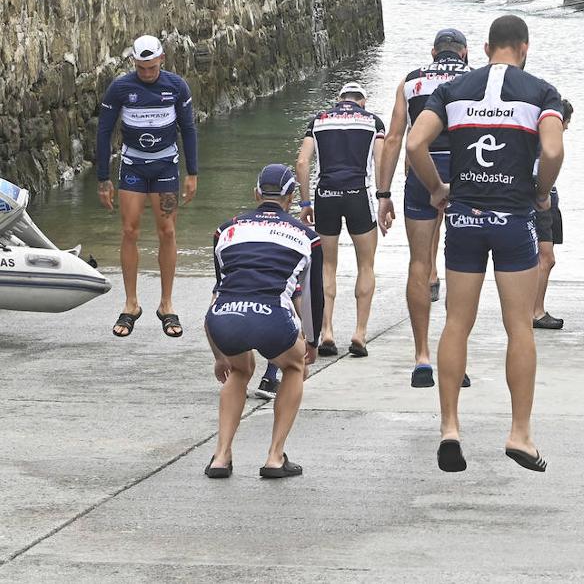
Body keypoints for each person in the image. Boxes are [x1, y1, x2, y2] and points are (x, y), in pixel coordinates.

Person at [406, 15, 565, 474]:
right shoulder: (541, 93)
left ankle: (450, 427)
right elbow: (553, 151)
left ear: (485, 48)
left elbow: (415, 144)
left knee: (457, 323)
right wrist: (541, 191)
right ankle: (519, 433)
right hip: (513, 220)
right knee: (519, 327)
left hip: (464, 218)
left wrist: (437, 189)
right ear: (524, 48)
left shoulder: (453, 90)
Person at [204, 164, 321, 479]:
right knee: (294, 366)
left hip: (224, 317)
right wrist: (311, 342)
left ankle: (221, 457)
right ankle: (274, 457)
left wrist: (219, 356)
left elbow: (220, 291)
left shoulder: (225, 230)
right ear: (291, 197)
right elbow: (312, 298)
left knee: (239, 370)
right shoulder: (308, 237)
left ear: (256, 193)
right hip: (271, 317)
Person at [376, 29, 473, 388]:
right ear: (464, 53)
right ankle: (455, 357)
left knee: (418, 263)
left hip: (422, 168)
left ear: (433, 53)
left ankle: (422, 357)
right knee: (462, 265)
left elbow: (394, 138)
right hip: (466, 172)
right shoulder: (475, 78)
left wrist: (383, 193)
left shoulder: (411, 81)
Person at [97, 35, 198, 339]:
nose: (147, 73)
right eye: (141, 69)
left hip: (166, 167)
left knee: (167, 231)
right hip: (133, 168)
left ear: (162, 60)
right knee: (129, 231)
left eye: (152, 68)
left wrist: (192, 173)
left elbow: (188, 129)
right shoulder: (120, 88)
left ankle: (166, 305)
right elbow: (104, 131)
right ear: (134, 63)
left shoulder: (176, 86)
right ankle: (131, 304)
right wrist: (103, 179)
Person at [295, 82, 387, 359]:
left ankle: (327, 332)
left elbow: (302, 163)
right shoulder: (373, 121)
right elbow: (380, 161)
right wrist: (384, 197)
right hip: (359, 195)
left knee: (327, 266)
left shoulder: (319, 120)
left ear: (339, 99)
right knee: (366, 265)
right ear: (363, 101)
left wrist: (305, 203)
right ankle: (359, 333)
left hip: (326, 195)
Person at [534, 99, 574, 330]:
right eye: (567, 122)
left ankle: (531, 308)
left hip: (547, 196)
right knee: (546, 258)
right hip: (542, 199)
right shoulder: (546, 140)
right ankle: (535, 312)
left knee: (540, 258)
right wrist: (542, 194)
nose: (568, 127)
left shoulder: (536, 137)